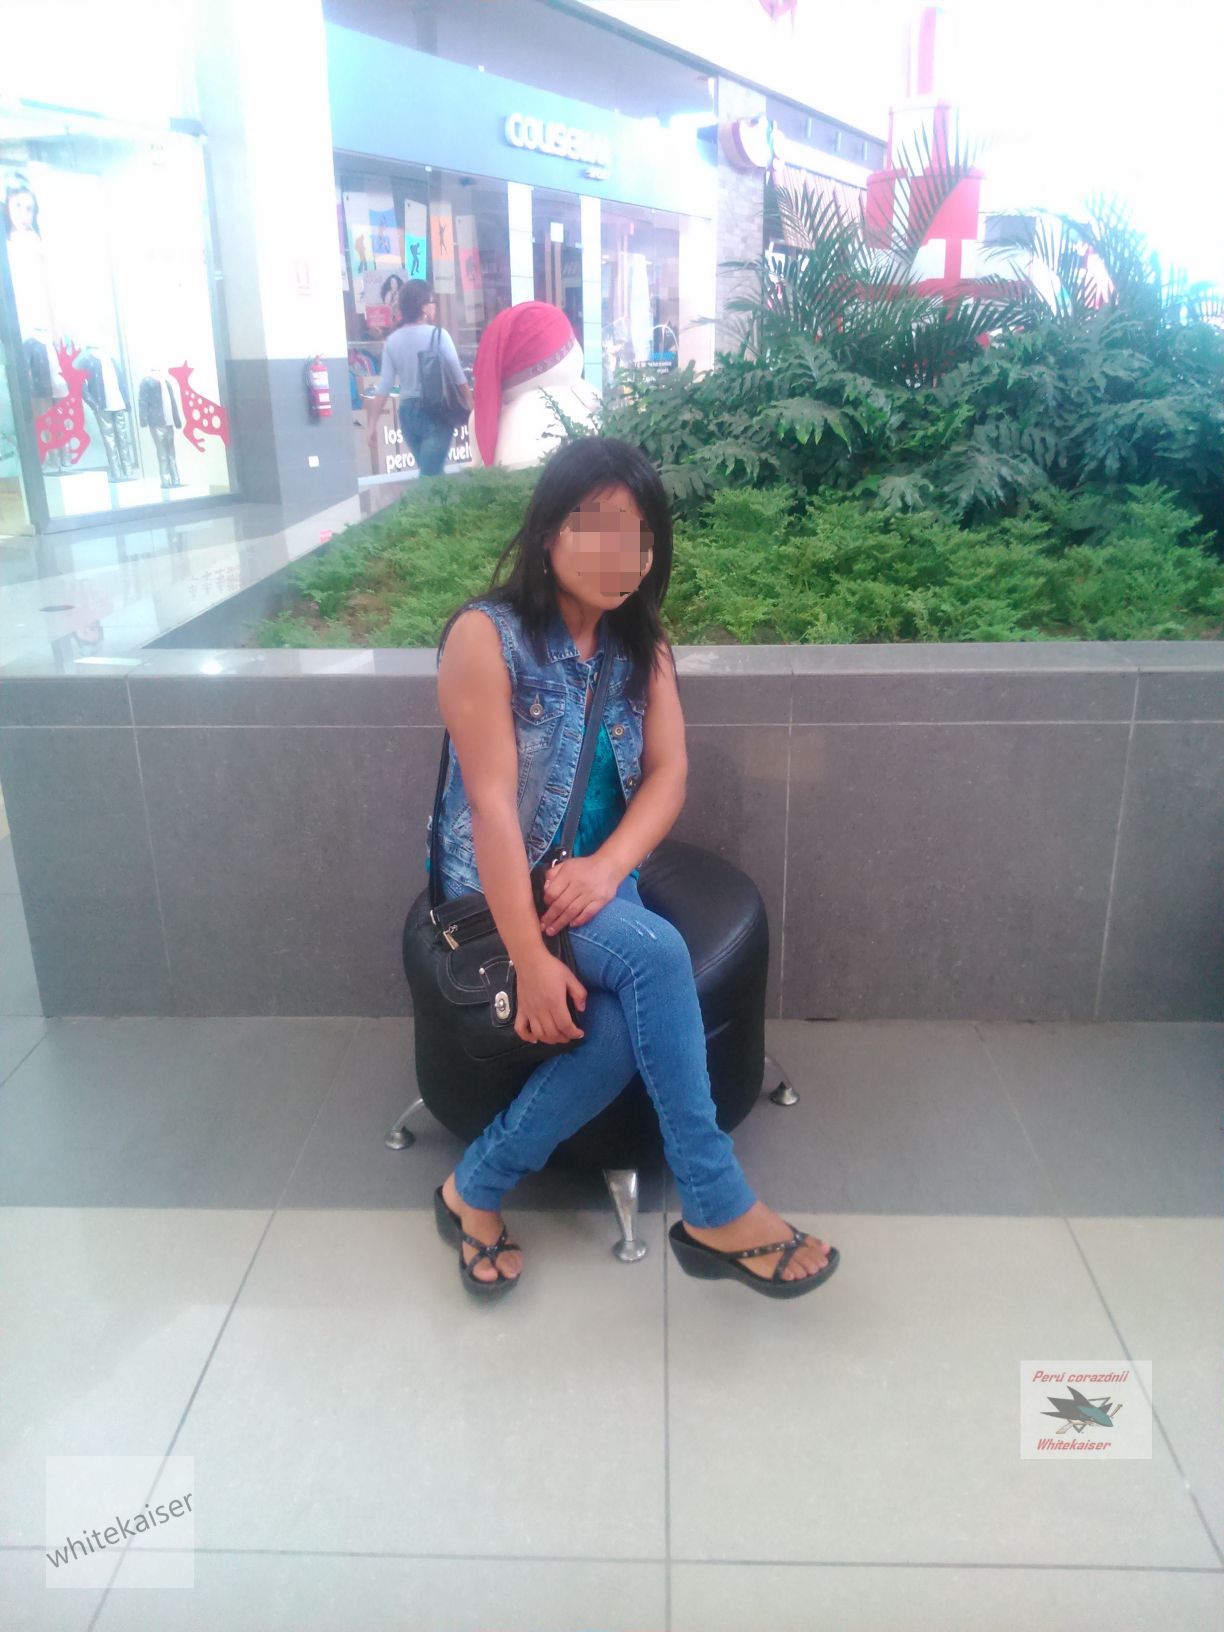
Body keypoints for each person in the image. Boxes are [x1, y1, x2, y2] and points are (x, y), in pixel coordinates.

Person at [428, 436, 840, 1299]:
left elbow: (669, 774)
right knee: (656, 956)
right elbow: (492, 808)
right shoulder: (486, 637)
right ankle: (716, 1203)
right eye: (599, 529)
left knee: (615, 1032)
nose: (622, 555)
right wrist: (530, 959)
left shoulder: (641, 646)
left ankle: (473, 1187)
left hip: (600, 883)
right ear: (549, 531)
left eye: (639, 537)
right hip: (500, 890)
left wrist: (610, 867)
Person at [365, 279, 471, 478]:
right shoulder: (439, 336)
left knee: (431, 473)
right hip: (436, 412)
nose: (434, 307)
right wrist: (471, 407)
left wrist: (371, 424)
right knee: (431, 477)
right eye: (432, 302)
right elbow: (459, 378)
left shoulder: (392, 341)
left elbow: (384, 386)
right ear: (423, 307)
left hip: (407, 415)